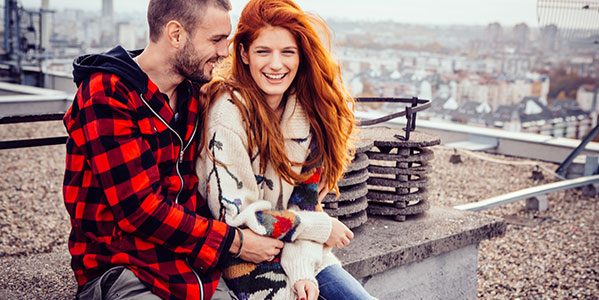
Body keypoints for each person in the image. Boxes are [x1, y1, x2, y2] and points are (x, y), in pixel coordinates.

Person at [62, 0, 285, 299]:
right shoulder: (107, 93)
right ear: (176, 34)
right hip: (124, 268)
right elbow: (138, 210)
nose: (224, 52)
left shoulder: (192, 92)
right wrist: (235, 242)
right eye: (216, 40)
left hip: (190, 266)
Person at [196, 0, 375, 299]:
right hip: (243, 257)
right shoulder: (227, 112)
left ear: (301, 56)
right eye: (263, 51)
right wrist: (319, 227)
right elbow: (238, 217)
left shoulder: (308, 113)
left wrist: (302, 269)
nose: (276, 64)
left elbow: (304, 204)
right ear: (244, 54)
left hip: (299, 247)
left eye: (287, 52)